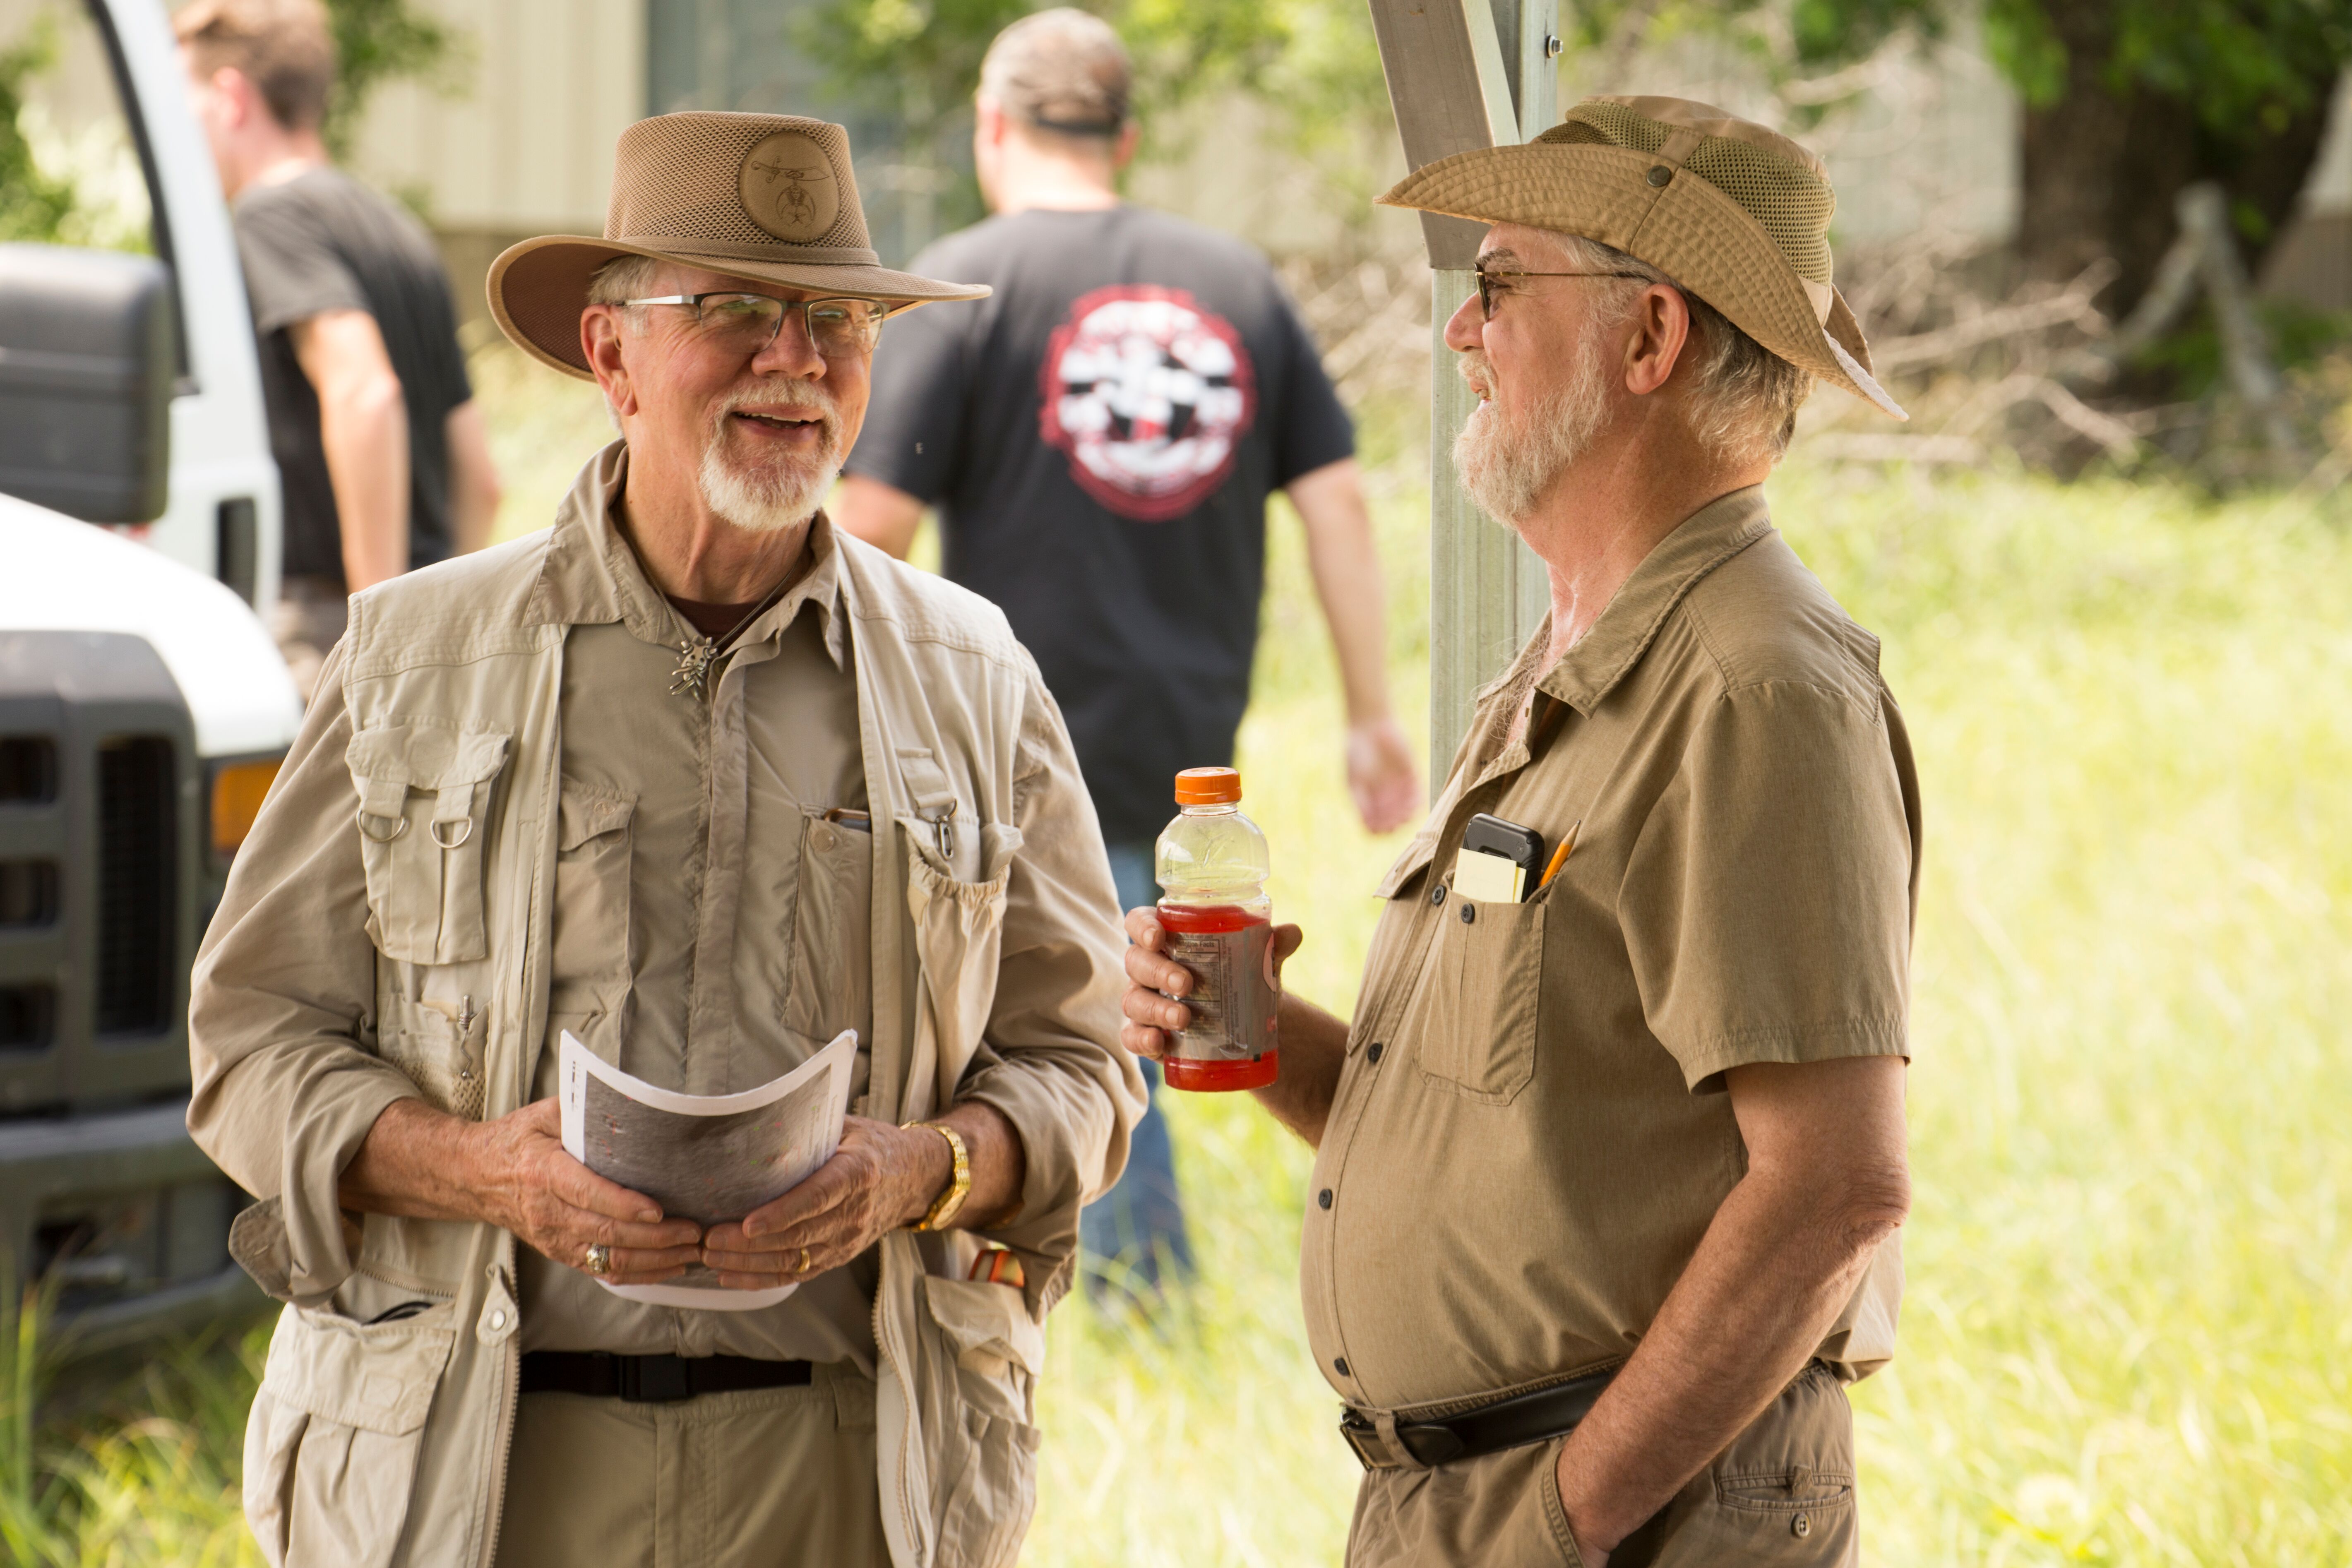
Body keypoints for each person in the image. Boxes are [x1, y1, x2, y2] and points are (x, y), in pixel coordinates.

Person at [188, 111, 1142, 1568]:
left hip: (847, 1478)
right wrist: (477, 1170)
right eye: (736, 311)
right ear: (611, 355)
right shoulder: (408, 658)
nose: (795, 359)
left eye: (836, 319)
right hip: (484, 1474)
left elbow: (1082, 1067)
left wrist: (926, 1170)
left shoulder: (975, 675)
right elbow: (251, 1051)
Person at [1120, 96, 1921, 1566]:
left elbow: (1831, 1190)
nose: (1458, 334)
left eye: (1498, 286)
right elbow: (1551, 1121)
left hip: (1616, 1513)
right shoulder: (1580, 650)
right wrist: (1258, 1030)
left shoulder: (1755, 683)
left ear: (1648, 341)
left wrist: (1560, 1522)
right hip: (1484, 1500)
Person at [836, 9, 1418, 1299]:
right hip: (1186, 746)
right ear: (1125, 136)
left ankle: (1139, 1295)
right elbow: (1336, 502)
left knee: (1088, 1018)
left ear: (993, 127)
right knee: (1136, 997)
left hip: (1010, 741)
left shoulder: (961, 283)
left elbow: (867, 523)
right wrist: (1370, 711)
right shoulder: (1237, 282)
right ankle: (1139, 1278)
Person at [178, 0, 500, 701]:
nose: (184, 134)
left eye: (188, 103)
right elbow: (480, 477)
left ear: (231, 96)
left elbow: (365, 392)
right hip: (427, 619)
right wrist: (437, 635)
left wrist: (378, 637)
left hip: (324, 633)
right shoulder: (399, 230)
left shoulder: (271, 214)